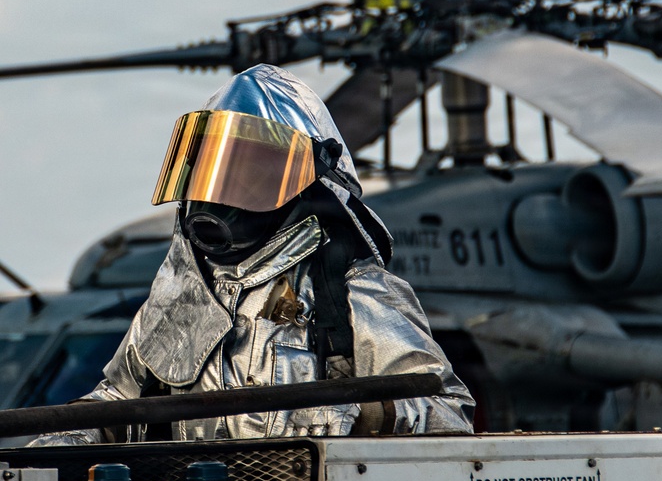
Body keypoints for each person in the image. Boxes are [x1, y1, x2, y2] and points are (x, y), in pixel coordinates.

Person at [31, 64, 474, 445]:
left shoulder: (351, 289)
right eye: (212, 171)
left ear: (303, 188)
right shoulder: (178, 297)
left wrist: (352, 416)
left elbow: (447, 411)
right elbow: (115, 406)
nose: (219, 193)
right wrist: (51, 448)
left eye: (246, 174)